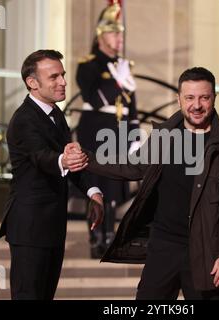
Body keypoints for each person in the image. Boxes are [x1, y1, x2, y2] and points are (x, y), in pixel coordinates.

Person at [67, 67, 219, 300]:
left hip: (207, 252)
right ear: (178, 99)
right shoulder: (165, 136)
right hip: (163, 248)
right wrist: (87, 158)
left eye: (204, 97)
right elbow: (133, 166)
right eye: (189, 97)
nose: (196, 105)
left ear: (214, 98)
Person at [0, 50, 104, 300]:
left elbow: (70, 159)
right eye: (54, 76)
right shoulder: (23, 119)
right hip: (29, 226)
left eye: (63, 75)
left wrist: (93, 192)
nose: (63, 82)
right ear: (32, 83)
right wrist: (64, 159)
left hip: (53, 226)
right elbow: (42, 157)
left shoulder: (56, 114)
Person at [74, 0, 140, 259]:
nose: (119, 37)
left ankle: (110, 237)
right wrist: (119, 84)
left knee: (114, 188)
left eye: (120, 32)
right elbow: (93, 98)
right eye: (114, 32)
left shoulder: (123, 65)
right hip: (95, 129)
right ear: (101, 34)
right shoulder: (89, 64)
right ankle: (95, 238)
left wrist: (134, 137)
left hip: (118, 130)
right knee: (96, 186)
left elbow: (132, 106)